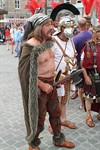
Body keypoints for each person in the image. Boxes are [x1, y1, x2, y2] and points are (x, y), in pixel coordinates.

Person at [18, 13, 75, 150]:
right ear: (38, 27)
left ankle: (58, 139)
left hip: (52, 84)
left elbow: (48, 64)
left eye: (52, 24)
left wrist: (57, 76)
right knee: (38, 117)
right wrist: (43, 85)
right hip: (39, 88)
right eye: (48, 25)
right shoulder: (30, 47)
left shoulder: (48, 42)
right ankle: (33, 144)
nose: (52, 27)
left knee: (56, 113)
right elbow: (25, 73)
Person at [50, 16, 77, 131]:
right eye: (68, 27)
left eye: (72, 27)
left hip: (68, 75)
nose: (71, 29)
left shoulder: (70, 40)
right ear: (61, 28)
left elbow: (73, 54)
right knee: (56, 101)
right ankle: (53, 123)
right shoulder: (53, 41)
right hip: (57, 77)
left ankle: (63, 119)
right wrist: (55, 74)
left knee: (65, 98)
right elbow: (47, 60)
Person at [70, 18, 92, 110]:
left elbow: (73, 52)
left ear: (78, 26)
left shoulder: (76, 38)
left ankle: (82, 105)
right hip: (91, 63)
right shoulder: (92, 35)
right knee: (91, 84)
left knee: (80, 85)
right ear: (86, 25)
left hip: (80, 63)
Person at [81, 28, 100, 127]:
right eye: (97, 35)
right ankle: (88, 115)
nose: (98, 37)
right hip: (91, 74)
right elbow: (82, 64)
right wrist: (86, 76)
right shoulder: (87, 46)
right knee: (89, 97)